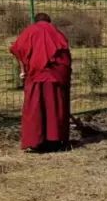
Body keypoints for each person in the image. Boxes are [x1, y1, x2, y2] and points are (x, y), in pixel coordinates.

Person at [9, 13, 71, 152]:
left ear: (35, 21)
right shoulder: (56, 32)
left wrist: (23, 69)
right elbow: (65, 56)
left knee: (35, 109)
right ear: (49, 21)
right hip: (55, 76)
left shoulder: (30, 31)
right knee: (55, 107)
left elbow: (17, 49)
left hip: (36, 76)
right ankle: (55, 141)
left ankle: (36, 142)